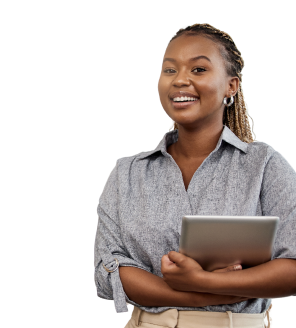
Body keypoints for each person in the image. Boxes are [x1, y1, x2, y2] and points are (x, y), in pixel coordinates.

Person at [94, 23, 296, 328]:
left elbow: (293, 267)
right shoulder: (127, 171)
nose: (181, 80)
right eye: (169, 70)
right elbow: (108, 271)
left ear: (231, 86)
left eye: (199, 69)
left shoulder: (266, 165)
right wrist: (200, 293)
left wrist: (199, 281)